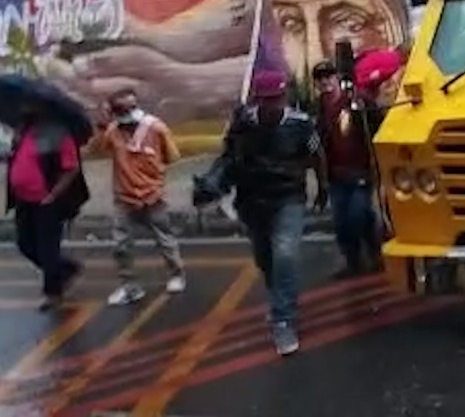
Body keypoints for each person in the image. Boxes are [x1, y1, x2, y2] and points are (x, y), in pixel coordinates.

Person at [195, 70, 328, 356]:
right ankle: (280, 296)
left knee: (285, 254)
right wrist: (213, 184)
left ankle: (284, 319)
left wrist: (323, 189)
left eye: (278, 98)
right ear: (257, 100)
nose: (274, 104)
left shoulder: (301, 124)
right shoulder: (242, 124)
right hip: (252, 200)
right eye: (267, 99)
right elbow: (228, 158)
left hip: (288, 198)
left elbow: (317, 156)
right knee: (265, 258)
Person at [88, 89, 186, 306]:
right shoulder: (113, 130)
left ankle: (176, 275)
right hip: (124, 198)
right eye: (124, 108)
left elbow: (172, 157)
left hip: (153, 196)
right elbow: (96, 150)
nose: (131, 112)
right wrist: (102, 123)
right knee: (121, 246)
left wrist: (153, 177)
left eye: (133, 106)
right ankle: (129, 287)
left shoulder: (156, 128)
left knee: (165, 239)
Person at [5, 99, 88, 311]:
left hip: (46, 202)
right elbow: (17, 159)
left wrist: (53, 195)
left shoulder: (58, 134)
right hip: (23, 199)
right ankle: (66, 268)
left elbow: (71, 168)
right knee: (25, 244)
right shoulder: (24, 131)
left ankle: (53, 293)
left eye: (30, 106)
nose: (24, 109)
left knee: (48, 249)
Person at [312, 61, 383, 279]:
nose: (325, 81)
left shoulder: (357, 101)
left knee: (358, 215)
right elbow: (315, 146)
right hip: (335, 175)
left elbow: (378, 126)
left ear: (337, 78)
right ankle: (353, 262)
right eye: (320, 78)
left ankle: (374, 253)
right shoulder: (317, 109)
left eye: (329, 76)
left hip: (360, 171)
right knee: (342, 223)